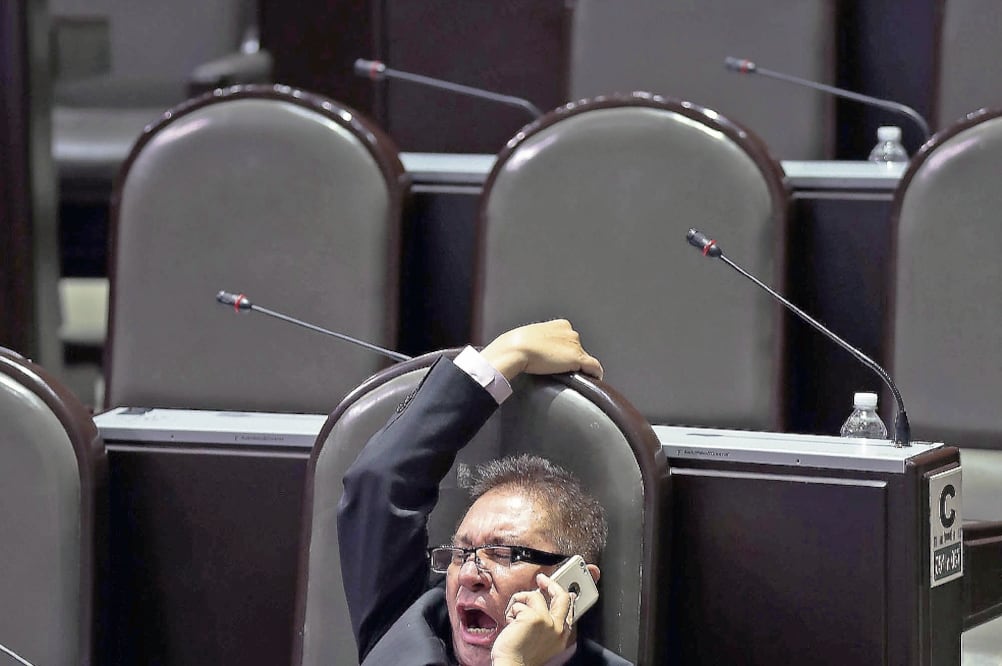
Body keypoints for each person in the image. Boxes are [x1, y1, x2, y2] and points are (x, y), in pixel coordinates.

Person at [337, 320, 632, 665]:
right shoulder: (407, 630)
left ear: (574, 585)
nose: (469, 575)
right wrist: (505, 355)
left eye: (503, 553)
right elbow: (379, 483)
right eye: (461, 554)